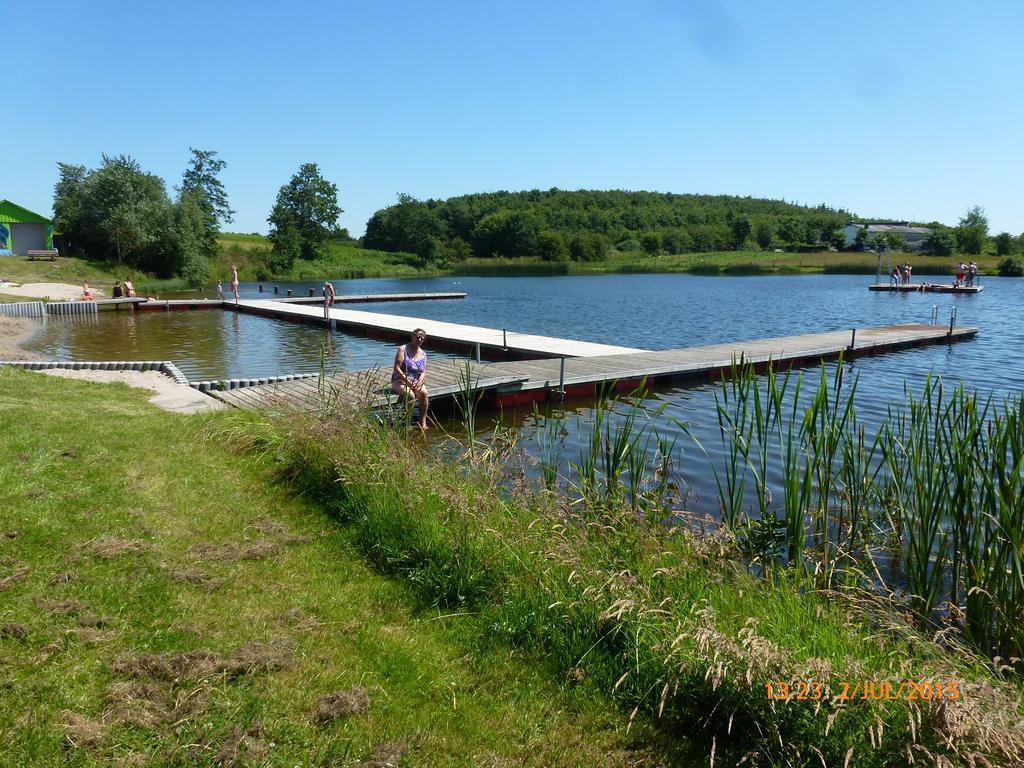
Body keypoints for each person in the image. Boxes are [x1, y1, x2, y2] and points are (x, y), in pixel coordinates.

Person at [391, 328, 429, 430]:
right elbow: (397, 367)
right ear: (412, 337)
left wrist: (420, 381)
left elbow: (423, 371)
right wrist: (407, 380)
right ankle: (408, 421)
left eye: (422, 338)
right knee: (410, 395)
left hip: (415, 381)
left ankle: (422, 421)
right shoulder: (403, 349)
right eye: (417, 337)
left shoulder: (423, 354)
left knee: (424, 393)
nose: (420, 340)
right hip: (400, 380)